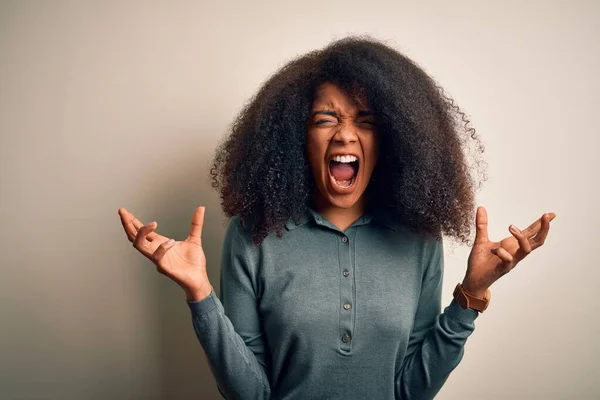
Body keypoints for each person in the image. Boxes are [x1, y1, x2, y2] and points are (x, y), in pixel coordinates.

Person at [118, 35, 555, 399]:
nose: (345, 133)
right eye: (325, 119)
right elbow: (251, 394)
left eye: (365, 121)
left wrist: (471, 296)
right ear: (295, 136)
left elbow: (410, 392)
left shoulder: (419, 239)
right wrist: (200, 295)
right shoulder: (253, 235)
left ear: (392, 138)